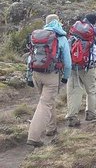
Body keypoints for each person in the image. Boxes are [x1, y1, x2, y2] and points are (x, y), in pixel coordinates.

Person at [27, 14, 71, 147]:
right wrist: (65, 78)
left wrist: (29, 76)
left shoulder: (38, 36)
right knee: (45, 104)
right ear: (57, 22)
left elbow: (30, 57)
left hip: (36, 74)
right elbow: (68, 63)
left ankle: (51, 128)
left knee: (47, 101)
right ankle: (34, 137)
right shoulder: (61, 37)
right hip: (51, 75)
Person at [65, 14, 96, 127]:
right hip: (87, 66)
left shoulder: (75, 29)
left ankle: (72, 116)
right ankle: (91, 114)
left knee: (75, 90)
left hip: (73, 65)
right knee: (91, 90)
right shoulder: (92, 32)